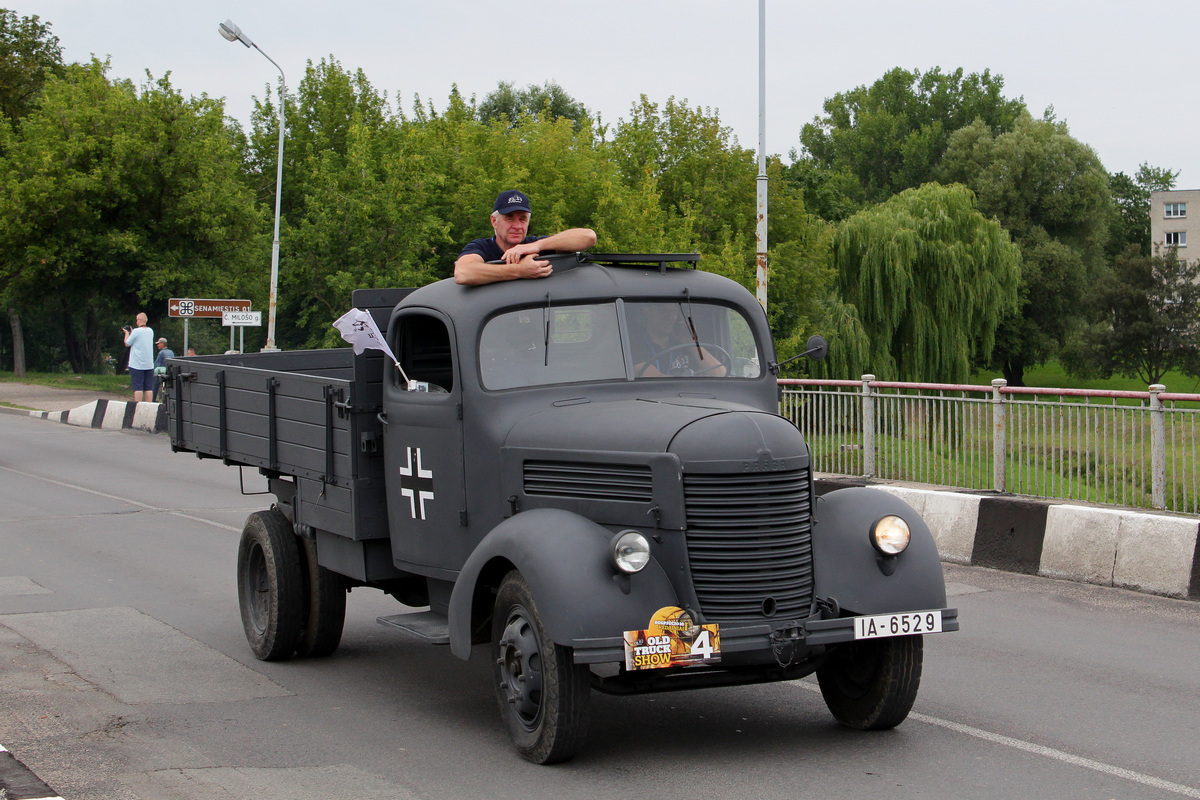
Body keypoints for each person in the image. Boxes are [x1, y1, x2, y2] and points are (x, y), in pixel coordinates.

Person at [454, 190, 596, 286]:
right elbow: (463, 273)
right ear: (494, 221)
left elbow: (588, 237)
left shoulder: (536, 245)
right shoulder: (482, 247)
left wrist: (538, 246)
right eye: (509, 219)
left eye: (523, 219)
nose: (517, 226)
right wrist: (519, 271)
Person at [630, 303, 727, 377]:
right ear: (647, 311)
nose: (670, 317)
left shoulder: (684, 345)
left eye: (674, 312)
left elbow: (719, 373)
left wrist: (692, 343)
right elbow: (646, 372)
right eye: (663, 311)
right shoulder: (635, 344)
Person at [122, 312, 155, 402]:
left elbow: (127, 343)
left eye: (137, 320)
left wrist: (127, 333)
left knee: (138, 387)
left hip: (137, 364)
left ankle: (138, 405)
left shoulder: (136, 331)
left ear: (140, 320)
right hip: (149, 364)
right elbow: (140, 338)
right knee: (148, 387)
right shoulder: (150, 331)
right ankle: (149, 405)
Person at [152, 337, 175, 402]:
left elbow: (157, 364)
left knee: (155, 387)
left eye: (159, 344)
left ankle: (152, 400)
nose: (158, 345)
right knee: (164, 387)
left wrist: (153, 372)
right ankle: (165, 401)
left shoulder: (161, 353)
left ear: (163, 344)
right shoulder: (171, 352)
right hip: (168, 373)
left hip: (160, 373)